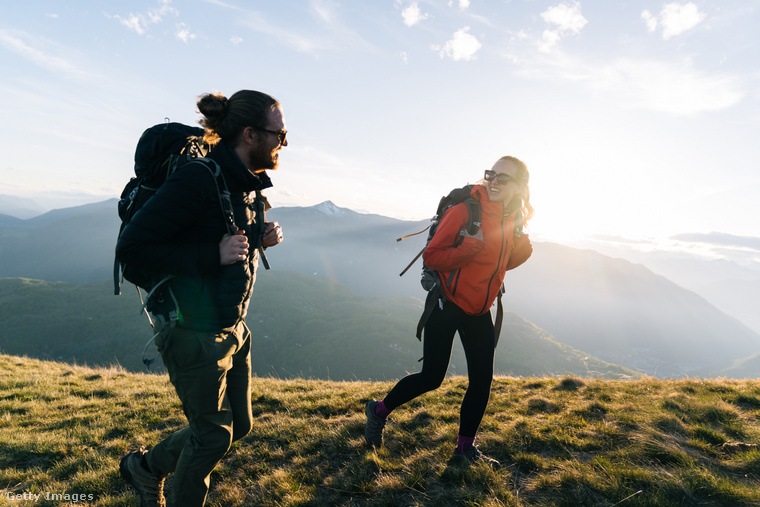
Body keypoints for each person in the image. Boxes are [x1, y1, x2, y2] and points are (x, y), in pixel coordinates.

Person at [116, 90, 286, 506]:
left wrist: (262, 236)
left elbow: (223, 235)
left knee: (238, 426)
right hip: (194, 331)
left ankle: (145, 467)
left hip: (233, 327)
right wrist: (213, 254)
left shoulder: (241, 182)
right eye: (279, 134)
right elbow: (133, 248)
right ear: (249, 134)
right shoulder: (197, 179)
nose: (283, 143)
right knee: (212, 437)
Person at [364, 156, 534, 467]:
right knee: (432, 377)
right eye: (490, 174)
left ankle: (464, 451)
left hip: (481, 309)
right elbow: (432, 257)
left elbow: (505, 260)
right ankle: (377, 412)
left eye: (503, 179)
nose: (494, 181)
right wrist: (469, 250)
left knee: (482, 382)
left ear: (519, 187)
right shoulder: (463, 211)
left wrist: (522, 241)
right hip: (446, 305)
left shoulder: (513, 218)